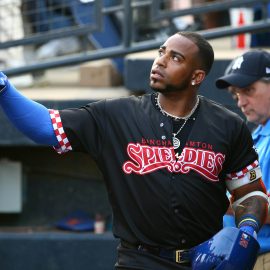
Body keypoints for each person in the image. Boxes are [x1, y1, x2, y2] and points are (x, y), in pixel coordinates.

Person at [0, 31, 268, 269]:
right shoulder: (115, 115)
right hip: (138, 261)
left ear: (197, 76)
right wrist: (5, 90)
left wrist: (245, 232)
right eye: (161, 52)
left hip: (204, 261)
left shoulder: (228, 126)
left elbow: (250, 193)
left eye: (175, 58)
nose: (161, 61)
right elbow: (47, 127)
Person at [216, 49, 270, 270]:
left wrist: (210, 199)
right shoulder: (257, 134)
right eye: (235, 94)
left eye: (248, 90)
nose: (241, 102)